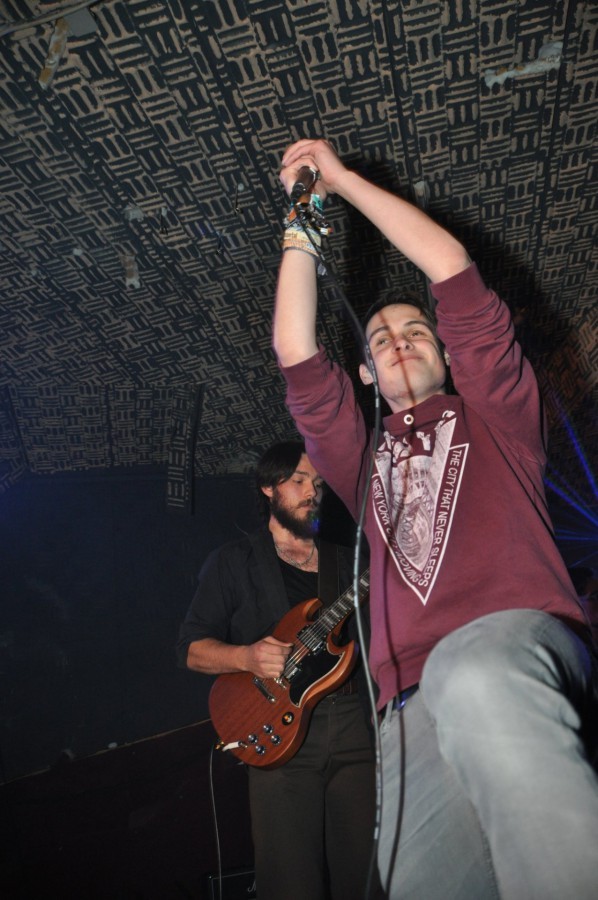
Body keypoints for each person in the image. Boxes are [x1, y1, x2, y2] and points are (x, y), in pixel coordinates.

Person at [272, 138, 598, 899]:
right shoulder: (360, 458)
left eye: (417, 331)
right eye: (380, 339)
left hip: (516, 645)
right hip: (405, 708)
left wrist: (341, 180)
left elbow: (451, 269)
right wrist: (301, 217)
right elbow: (295, 348)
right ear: (364, 373)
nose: (399, 340)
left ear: (446, 356)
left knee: (471, 670)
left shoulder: (498, 417)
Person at [176, 441, 380, 900]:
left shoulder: (349, 561)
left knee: (366, 876)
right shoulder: (233, 562)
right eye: (299, 480)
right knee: (290, 880)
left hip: (353, 726)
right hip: (278, 732)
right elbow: (191, 649)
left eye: (319, 484)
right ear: (268, 487)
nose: (313, 492)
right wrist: (246, 657)